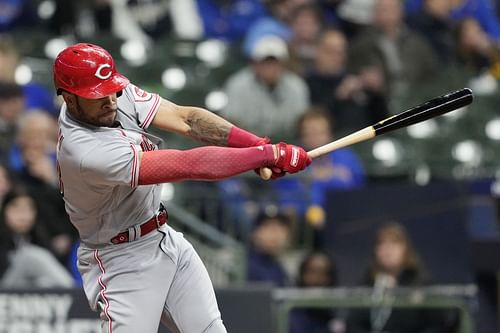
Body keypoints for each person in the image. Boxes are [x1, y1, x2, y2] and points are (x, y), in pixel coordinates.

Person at [53, 43, 311, 333]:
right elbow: (187, 164)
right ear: (69, 98)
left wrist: (259, 145)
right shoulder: (84, 153)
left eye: (111, 89)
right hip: (120, 261)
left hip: (163, 238)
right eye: (97, 95)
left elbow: (185, 119)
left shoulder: (113, 95)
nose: (111, 101)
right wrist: (266, 156)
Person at [345, 222, 450, 333]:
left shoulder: (421, 284)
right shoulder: (366, 285)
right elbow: (353, 325)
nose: (387, 249)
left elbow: (436, 325)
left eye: (394, 243)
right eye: (382, 244)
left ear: (406, 249)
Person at [222, 34, 310, 139]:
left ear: (283, 64)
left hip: (288, 143)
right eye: (265, 62)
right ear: (255, 63)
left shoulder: (296, 86)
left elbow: (301, 123)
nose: (270, 67)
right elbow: (231, 122)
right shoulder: (237, 85)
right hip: (247, 144)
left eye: (274, 63)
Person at [0, 187, 74, 288]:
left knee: (44, 282)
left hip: (33, 299)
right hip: (5, 294)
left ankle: (72, 294)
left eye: (28, 209)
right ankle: (72, 292)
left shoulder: (41, 239)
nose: (22, 215)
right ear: (4, 211)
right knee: (30, 255)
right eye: (16, 208)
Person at [289, 252, 345, 333]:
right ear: (302, 275)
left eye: (323, 273)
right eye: (311, 272)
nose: (316, 279)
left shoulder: (335, 318)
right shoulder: (289, 315)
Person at [246, 211, 293, 287]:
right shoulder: (246, 266)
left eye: (280, 226)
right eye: (267, 226)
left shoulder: (279, 266)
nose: (275, 232)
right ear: (254, 234)